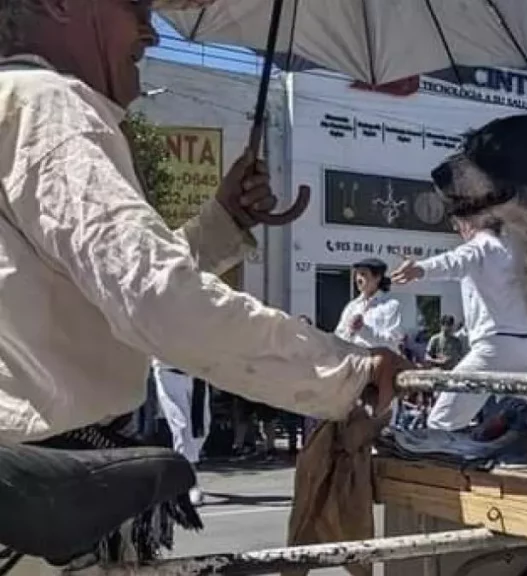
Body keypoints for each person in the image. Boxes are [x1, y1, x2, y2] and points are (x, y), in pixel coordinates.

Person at [0, 1, 408, 566]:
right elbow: (157, 298)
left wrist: (223, 222)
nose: (151, 33)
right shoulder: (49, 107)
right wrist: (348, 371)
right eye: (133, 5)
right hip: (45, 512)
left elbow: (95, 288)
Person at [392, 215, 527, 431]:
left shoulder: (480, 246)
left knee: (440, 422)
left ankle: (441, 462)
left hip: (492, 350)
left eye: (457, 225)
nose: (458, 232)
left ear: (468, 222)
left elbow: (452, 262)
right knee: (516, 421)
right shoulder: (516, 251)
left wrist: (419, 269)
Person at [151, 358, 210, 506]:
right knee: (182, 427)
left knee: (202, 428)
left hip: (197, 374)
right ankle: (189, 483)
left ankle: (183, 469)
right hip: (169, 374)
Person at [335, 257, 404, 353]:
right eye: (357, 274)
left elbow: (393, 342)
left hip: (379, 362)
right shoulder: (352, 306)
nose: (358, 279)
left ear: (377, 277)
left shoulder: (390, 305)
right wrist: (349, 332)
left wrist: (363, 330)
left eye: (363, 274)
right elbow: (338, 336)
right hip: (352, 360)